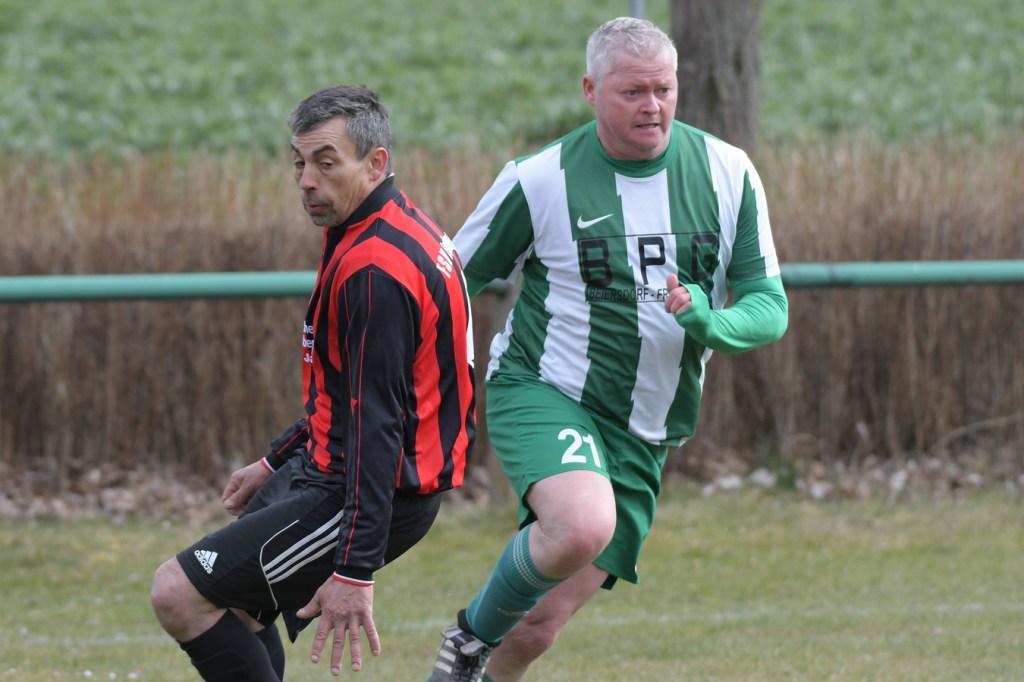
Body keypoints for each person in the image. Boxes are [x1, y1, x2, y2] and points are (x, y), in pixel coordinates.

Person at [427, 16, 788, 682]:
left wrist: (710, 322)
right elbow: (445, 286)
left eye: (664, 89)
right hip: (544, 389)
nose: (652, 106)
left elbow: (768, 305)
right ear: (591, 90)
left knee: (535, 627)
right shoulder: (540, 179)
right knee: (582, 524)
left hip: (646, 429)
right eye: (633, 92)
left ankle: (474, 658)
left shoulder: (728, 171)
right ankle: (469, 637)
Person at [150, 84, 477, 681]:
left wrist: (354, 568)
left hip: (365, 491)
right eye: (299, 163)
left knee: (179, 593)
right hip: (337, 470)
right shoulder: (387, 228)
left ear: (375, 163)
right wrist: (276, 460)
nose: (306, 180)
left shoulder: (375, 271)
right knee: (237, 609)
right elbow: (354, 394)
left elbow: (379, 424)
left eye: (326, 163)